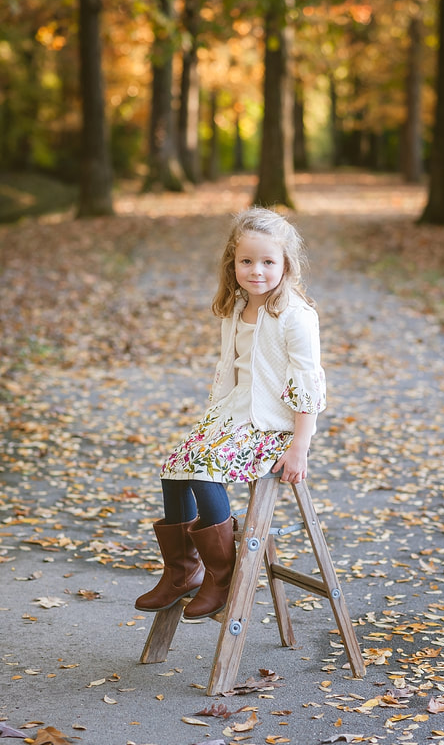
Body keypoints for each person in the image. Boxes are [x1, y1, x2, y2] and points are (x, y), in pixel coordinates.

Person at [135, 207, 326, 621]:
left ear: (286, 265)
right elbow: (229, 369)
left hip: (273, 428)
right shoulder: (238, 307)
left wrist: (300, 446)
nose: (256, 271)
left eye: (268, 262)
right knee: (174, 467)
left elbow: (309, 383)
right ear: (232, 263)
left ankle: (220, 577)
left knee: (204, 468)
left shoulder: (296, 315)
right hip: (233, 417)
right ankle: (182, 571)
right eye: (246, 261)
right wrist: (211, 422)